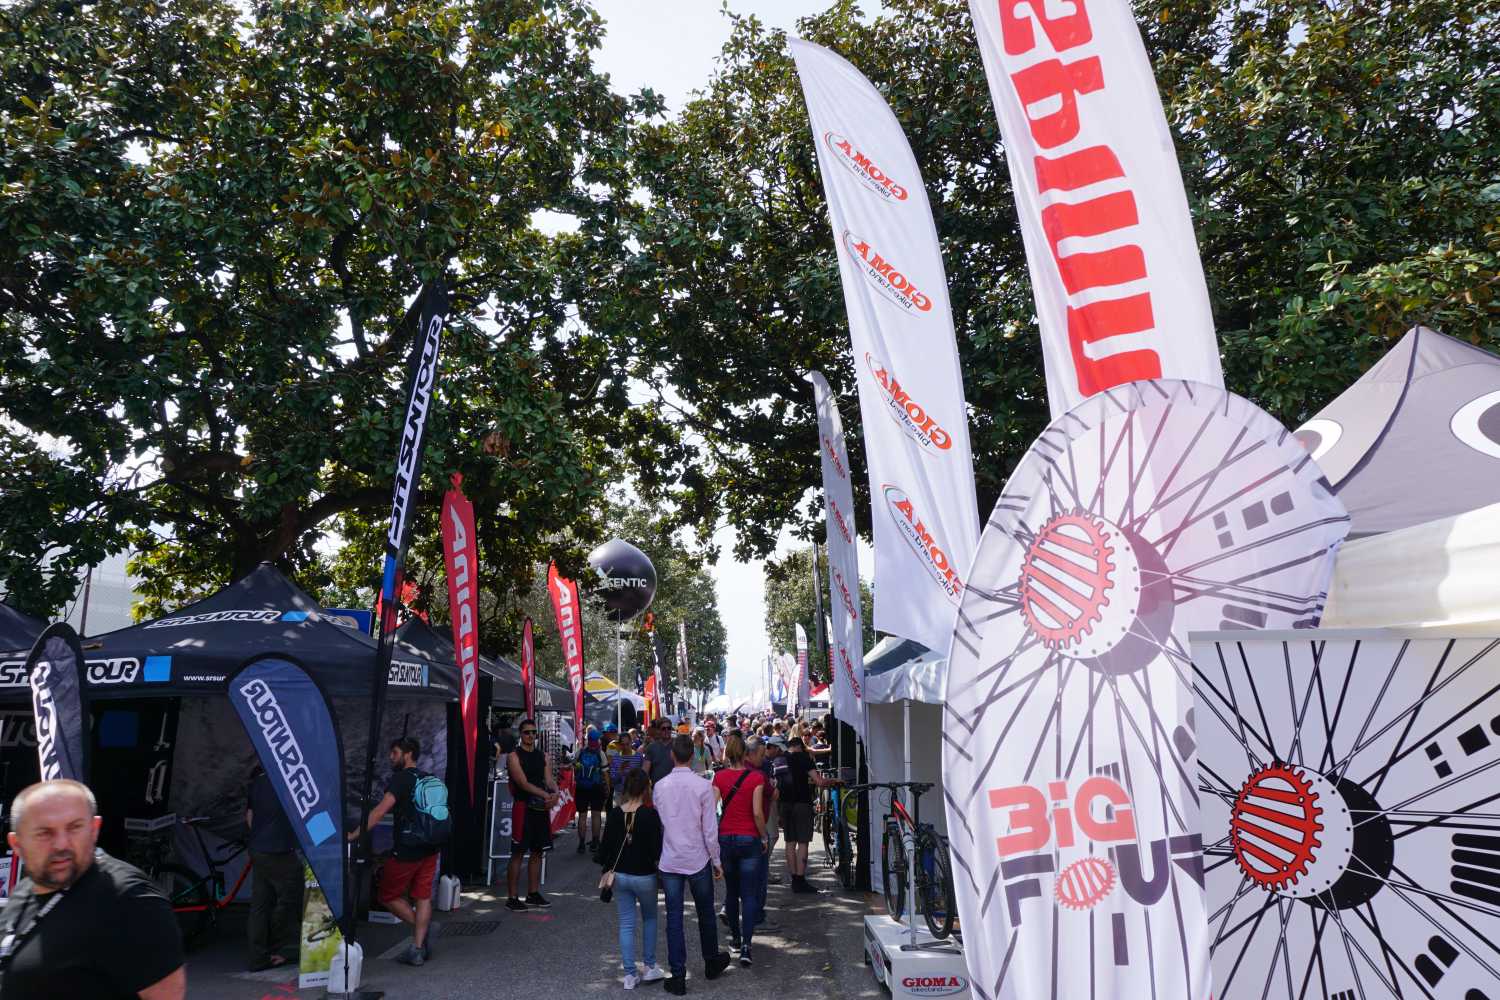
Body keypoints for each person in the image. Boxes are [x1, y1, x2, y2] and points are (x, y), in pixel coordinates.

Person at [0, 779, 186, 999]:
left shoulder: (129, 900)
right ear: (17, 844)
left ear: (94, 829)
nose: (61, 844)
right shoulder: (24, 891)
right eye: (44, 833)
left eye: (74, 828)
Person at [348, 736, 440, 965]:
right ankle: (418, 949)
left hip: (407, 849)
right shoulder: (428, 778)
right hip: (430, 847)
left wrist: (353, 835)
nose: (391, 757)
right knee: (422, 895)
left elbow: (379, 812)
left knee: (387, 895)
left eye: (395, 752)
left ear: (408, 754)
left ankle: (424, 928)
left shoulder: (401, 779)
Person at [653, 734, 731, 994]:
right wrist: (716, 860)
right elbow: (710, 828)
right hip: (697, 857)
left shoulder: (660, 786)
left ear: (672, 756)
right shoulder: (702, 787)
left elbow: (661, 822)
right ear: (693, 756)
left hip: (671, 858)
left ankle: (678, 975)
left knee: (674, 918)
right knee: (705, 913)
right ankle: (710, 961)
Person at [598, 768, 666, 989]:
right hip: (644, 875)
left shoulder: (616, 814)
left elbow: (605, 849)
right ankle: (649, 966)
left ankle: (629, 974)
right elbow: (657, 849)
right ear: (647, 788)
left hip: (620, 875)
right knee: (650, 919)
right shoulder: (650, 814)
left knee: (626, 924)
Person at [712, 734, 767, 966]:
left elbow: (711, 808)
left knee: (732, 892)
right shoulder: (756, 777)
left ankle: (735, 938)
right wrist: (763, 835)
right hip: (749, 839)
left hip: (726, 838)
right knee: (750, 894)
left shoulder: (719, 777)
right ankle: (746, 946)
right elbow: (757, 812)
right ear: (745, 754)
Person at [245, 765, 303, 972]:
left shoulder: (257, 782)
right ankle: (286, 949)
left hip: (258, 849)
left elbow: (249, 817)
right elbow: (301, 814)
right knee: (294, 897)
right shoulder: (289, 782)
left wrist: (260, 838)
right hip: (279, 851)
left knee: (260, 905)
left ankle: (257, 958)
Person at [505, 718, 558, 911]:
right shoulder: (513, 756)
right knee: (518, 852)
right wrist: (546, 795)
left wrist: (556, 792)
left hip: (540, 809)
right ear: (521, 734)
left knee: (538, 851)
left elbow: (549, 779)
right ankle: (512, 897)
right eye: (527, 732)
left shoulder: (543, 755)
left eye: (534, 732)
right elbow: (522, 783)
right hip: (523, 807)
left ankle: (533, 893)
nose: (531, 735)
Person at [783, 736, 838, 894]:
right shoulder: (804, 758)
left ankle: (794, 878)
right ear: (801, 746)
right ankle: (800, 879)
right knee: (803, 842)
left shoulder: (782, 759)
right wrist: (833, 781)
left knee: (789, 842)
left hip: (785, 804)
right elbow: (819, 781)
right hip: (802, 803)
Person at [574, 730, 611, 855]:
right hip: (596, 788)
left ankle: (581, 844)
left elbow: (575, 769)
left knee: (582, 816)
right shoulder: (600, 754)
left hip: (581, 788)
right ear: (598, 740)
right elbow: (605, 774)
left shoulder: (580, 752)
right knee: (596, 815)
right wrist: (608, 788)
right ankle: (595, 843)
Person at [644, 718, 676, 785]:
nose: (666, 730)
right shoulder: (651, 747)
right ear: (658, 730)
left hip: (674, 787)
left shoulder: (678, 745)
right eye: (663, 728)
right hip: (657, 788)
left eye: (669, 728)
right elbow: (645, 770)